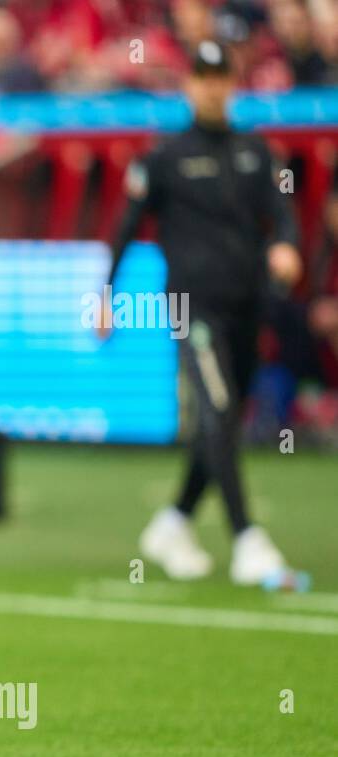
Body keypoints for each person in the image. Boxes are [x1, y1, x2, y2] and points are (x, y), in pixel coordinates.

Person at [104, 40, 303, 585]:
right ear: (189, 84)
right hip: (192, 306)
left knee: (226, 418)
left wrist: (287, 246)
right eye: (203, 76)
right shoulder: (163, 156)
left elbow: (283, 218)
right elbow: (126, 227)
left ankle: (174, 520)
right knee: (216, 407)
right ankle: (247, 538)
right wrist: (105, 294)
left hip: (247, 305)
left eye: (221, 77)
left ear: (231, 84)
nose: (212, 86)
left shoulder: (257, 153)